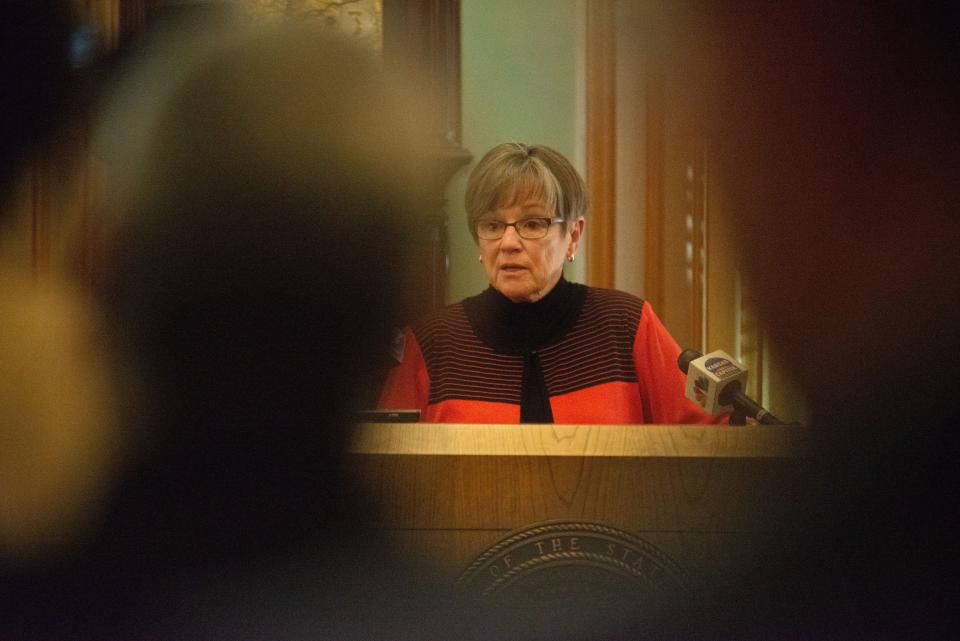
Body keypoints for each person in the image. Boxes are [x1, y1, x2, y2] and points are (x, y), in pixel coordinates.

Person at [379, 142, 725, 425]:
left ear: (573, 236)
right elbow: (388, 472)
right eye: (493, 225)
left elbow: (706, 440)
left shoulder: (626, 324)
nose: (509, 242)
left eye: (532, 224)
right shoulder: (431, 343)